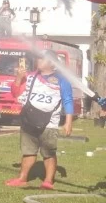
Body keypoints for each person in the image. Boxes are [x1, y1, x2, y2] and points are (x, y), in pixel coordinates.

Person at [6, 51, 74, 189]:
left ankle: (48, 181)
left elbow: (68, 100)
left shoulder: (62, 80)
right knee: (28, 151)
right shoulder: (30, 76)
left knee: (48, 153)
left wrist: (68, 122)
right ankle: (22, 178)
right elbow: (15, 93)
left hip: (49, 123)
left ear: (52, 63)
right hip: (29, 120)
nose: (38, 61)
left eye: (42, 59)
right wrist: (18, 78)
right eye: (38, 58)